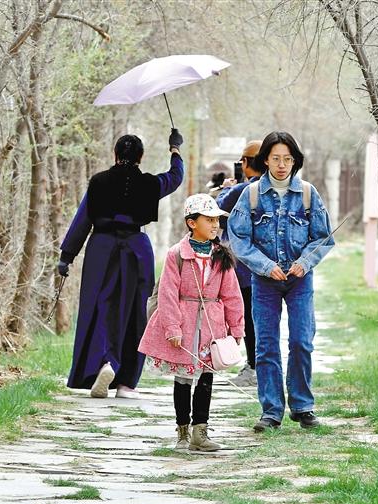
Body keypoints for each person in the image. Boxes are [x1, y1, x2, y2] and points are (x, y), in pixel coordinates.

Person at [58, 129, 184, 399]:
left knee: (100, 307)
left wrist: (66, 256)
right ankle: (127, 382)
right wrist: (175, 150)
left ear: (115, 154)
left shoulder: (99, 182)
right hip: (137, 250)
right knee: (136, 311)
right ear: (141, 156)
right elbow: (175, 178)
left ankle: (105, 362)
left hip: (101, 249)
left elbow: (83, 220)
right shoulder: (149, 184)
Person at [227, 131, 334, 432]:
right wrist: (265, 265)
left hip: (300, 280)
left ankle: (302, 406)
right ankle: (271, 411)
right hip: (264, 282)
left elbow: (323, 237)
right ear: (265, 160)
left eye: (287, 159)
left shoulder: (308, 193)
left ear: (295, 161)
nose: (282, 165)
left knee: (301, 341)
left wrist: (304, 262)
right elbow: (239, 238)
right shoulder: (251, 195)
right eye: (276, 158)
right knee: (266, 346)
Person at [138, 194, 245, 451]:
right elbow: (167, 294)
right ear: (192, 223)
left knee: (206, 378)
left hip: (212, 327)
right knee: (183, 380)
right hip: (184, 326)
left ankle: (201, 432)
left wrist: (236, 328)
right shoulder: (177, 255)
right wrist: (172, 328)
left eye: (216, 220)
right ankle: (183, 431)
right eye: (209, 220)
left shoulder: (221, 255)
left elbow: (232, 295)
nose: (215, 225)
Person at [215, 140, 262, 387]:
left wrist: (225, 189)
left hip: (242, 269)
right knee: (261, 321)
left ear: (245, 163)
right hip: (266, 267)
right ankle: (261, 366)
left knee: (246, 320)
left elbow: (217, 214)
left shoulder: (241, 191)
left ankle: (252, 367)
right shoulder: (273, 190)